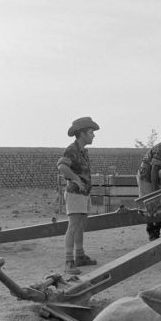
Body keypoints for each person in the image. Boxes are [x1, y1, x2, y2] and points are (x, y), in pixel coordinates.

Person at [57, 116, 100, 274]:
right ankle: (69, 262)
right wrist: (76, 179)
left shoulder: (82, 151)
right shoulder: (72, 150)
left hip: (83, 194)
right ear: (82, 133)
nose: (93, 135)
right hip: (75, 193)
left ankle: (80, 256)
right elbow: (61, 166)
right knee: (73, 226)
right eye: (90, 132)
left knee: (81, 225)